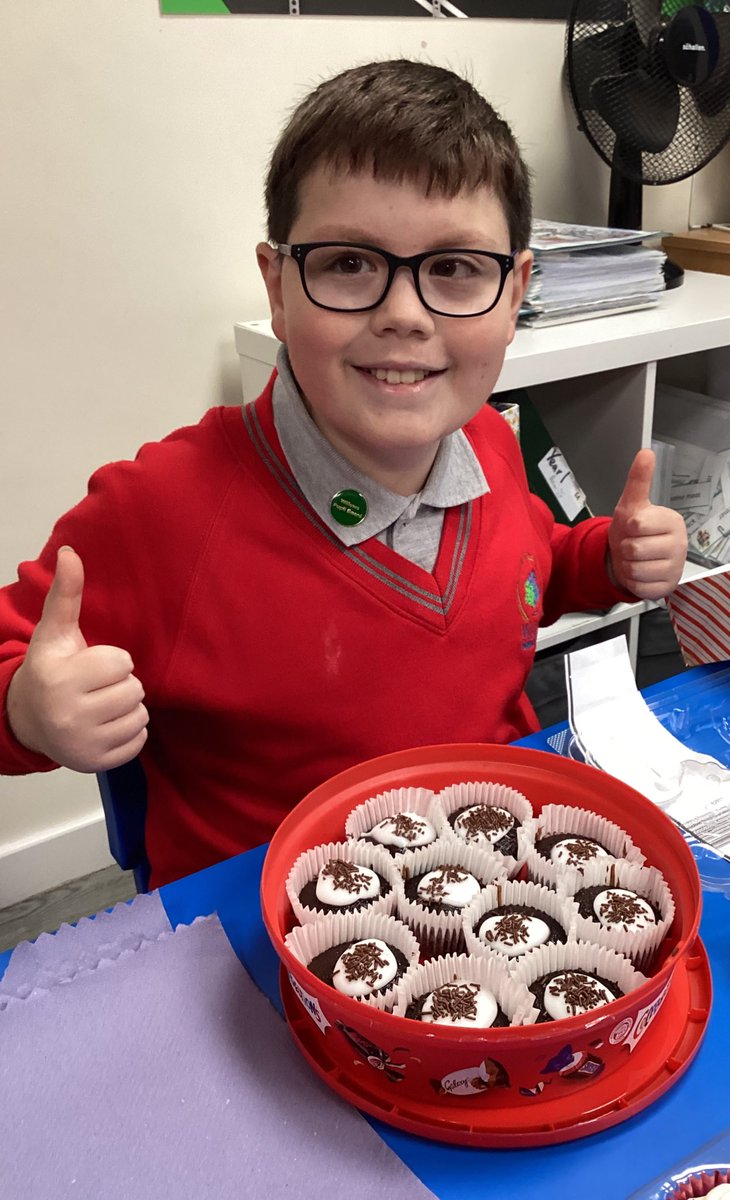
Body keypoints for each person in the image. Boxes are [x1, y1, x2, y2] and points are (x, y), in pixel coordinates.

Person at [0, 60, 687, 888]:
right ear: (278, 286)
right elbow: (18, 659)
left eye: (457, 268)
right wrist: (30, 712)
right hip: (266, 931)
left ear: (517, 294)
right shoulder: (158, 512)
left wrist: (604, 560)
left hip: (492, 879)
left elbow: (532, 567)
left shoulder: (493, 448)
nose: (403, 313)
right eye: (350, 265)